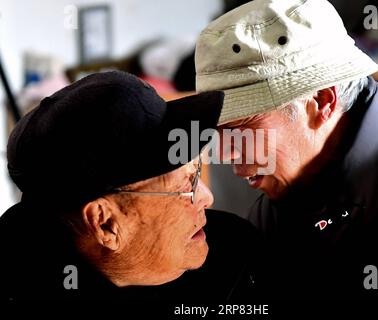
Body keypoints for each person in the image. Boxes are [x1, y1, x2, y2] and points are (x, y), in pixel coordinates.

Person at [195, 0, 378, 298]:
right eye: (217, 132)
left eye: (239, 126)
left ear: (322, 101)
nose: (226, 152)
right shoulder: (272, 220)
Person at [0, 71, 262, 301]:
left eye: (196, 171)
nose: (208, 198)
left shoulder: (233, 250)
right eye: (187, 184)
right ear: (105, 223)